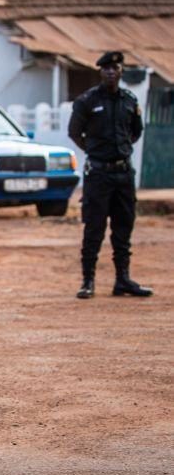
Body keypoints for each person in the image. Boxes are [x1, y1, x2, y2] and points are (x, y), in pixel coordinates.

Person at [68, 51, 152, 299]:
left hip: (124, 174)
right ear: (100, 72)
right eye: (106, 69)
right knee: (94, 229)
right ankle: (88, 281)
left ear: (121, 72)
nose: (111, 72)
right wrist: (95, 152)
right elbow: (75, 133)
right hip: (98, 175)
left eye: (115, 68)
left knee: (123, 228)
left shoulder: (129, 100)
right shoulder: (87, 101)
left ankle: (123, 280)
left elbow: (136, 132)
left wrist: (120, 151)